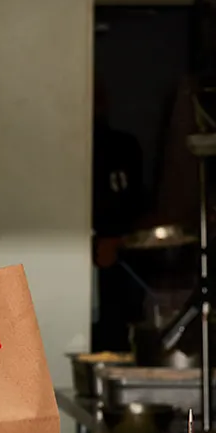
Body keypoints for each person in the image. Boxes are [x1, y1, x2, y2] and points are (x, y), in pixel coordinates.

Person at [92, 82, 146, 351]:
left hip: (122, 257)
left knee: (119, 330)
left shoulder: (123, 146)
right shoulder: (66, 149)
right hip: (82, 253)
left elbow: (137, 204)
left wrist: (120, 240)